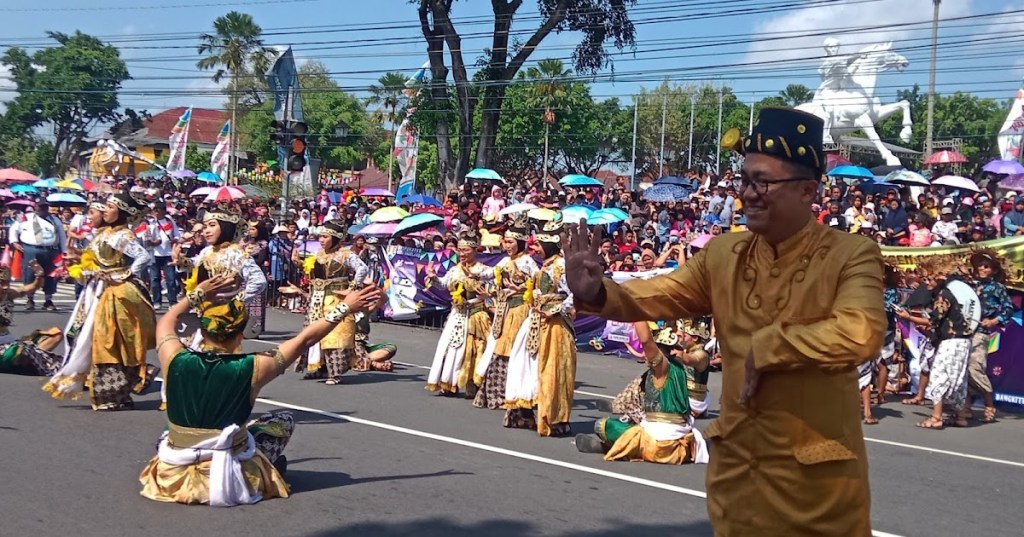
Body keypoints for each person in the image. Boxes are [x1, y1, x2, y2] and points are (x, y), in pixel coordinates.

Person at [564, 108, 884, 535]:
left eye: (763, 182)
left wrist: (771, 346)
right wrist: (598, 293)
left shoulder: (852, 254)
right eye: (744, 180)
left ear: (809, 189)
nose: (747, 194)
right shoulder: (724, 254)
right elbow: (662, 293)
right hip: (737, 477)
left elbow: (861, 330)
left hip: (815, 488)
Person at [139, 275, 381, 506]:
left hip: (172, 473)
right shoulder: (254, 366)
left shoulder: (173, 357)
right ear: (240, 335)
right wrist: (345, 307)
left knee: (170, 430)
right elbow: (305, 340)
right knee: (282, 420)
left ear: (202, 332)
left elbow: (166, 321)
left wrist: (198, 294)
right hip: (226, 470)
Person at [43, 192, 156, 410]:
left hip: (117, 292)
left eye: (110, 207)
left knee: (112, 339)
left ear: (122, 212)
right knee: (84, 334)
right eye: (105, 206)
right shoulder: (104, 233)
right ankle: (115, 390)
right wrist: (80, 261)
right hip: (97, 290)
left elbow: (143, 257)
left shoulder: (123, 236)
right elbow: (98, 260)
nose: (105, 210)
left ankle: (116, 391)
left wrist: (122, 275)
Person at [575, 321, 709, 464]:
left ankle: (611, 448)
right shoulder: (676, 365)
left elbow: (646, 341)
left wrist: (638, 314)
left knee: (603, 425)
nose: (645, 355)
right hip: (677, 435)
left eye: (648, 352)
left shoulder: (662, 366)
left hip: (662, 443)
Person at [502, 218, 576, 436]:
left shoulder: (561, 267)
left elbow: (575, 294)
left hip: (554, 326)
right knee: (522, 364)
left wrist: (555, 310)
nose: (534, 248)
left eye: (538, 245)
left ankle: (553, 416)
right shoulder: (545, 265)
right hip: (534, 321)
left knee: (550, 369)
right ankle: (522, 412)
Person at [172, 209, 268, 351]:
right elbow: (195, 262)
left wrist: (236, 302)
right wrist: (181, 261)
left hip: (222, 316)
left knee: (213, 353)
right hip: (201, 309)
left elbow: (259, 280)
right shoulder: (208, 251)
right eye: (205, 227)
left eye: (212, 225)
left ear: (225, 228)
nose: (206, 231)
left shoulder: (235, 253)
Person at [473, 213, 539, 409]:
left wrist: (524, 288)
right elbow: (488, 274)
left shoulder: (528, 262)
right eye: (505, 242)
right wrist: (470, 269)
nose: (507, 246)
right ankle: (494, 394)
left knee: (513, 350)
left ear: (519, 242)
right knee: (498, 348)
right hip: (505, 310)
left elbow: (540, 284)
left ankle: (513, 393)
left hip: (521, 311)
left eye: (511, 242)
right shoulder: (503, 262)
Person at [294, 220, 368, 384]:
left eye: (325, 237)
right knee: (314, 334)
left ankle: (334, 372)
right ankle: (318, 367)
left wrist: (353, 287)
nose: (321, 240)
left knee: (335, 336)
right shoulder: (318, 253)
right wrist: (299, 264)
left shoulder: (345, 254)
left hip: (336, 300)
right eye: (320, 236)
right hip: (318, 300)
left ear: (335, 238)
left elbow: (363, 268)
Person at [425, 229, 495, 397]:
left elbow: (493, 292)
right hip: (457, 314)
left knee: (474, 350)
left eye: (466, 250)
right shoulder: (455, 270)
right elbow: (443, 284)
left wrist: (486, 297)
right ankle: (449, 383)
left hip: (476, 314)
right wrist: (434, 277)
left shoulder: (484, 270)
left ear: (475, 250)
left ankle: (473, 384)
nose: (462, 253)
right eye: (460, 250)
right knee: (450, 348)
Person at [962, 250, 1013, 424]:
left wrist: (993, 321)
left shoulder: (997, 288)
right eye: (980, 265)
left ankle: (989, 404)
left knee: (975, 367)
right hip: (965, 330)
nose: (982, 268)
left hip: (981, 332)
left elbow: (1008, 308)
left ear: (993, 270)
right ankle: (966, 406)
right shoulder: (970, 285)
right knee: (963, 369)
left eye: (986, 266)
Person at [0, 259, 64, 376]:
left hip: (11, 344)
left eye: (7, 282)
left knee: (56, 334)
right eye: (1, 282)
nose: (5, 287)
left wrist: (39, 275)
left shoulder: (10, 294)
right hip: (4, 351)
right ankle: (26, 360)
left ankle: (26, 361)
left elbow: (34, 286)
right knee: (23, 350)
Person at [8, 201, 66, 311]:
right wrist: (14, 242)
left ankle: (48, 300)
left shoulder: (55, 219)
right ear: (36, 207)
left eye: (45, 207)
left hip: (51, 250)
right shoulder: (25, 216)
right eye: (40, 207)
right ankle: (30, 299)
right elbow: (13, 229)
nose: (42, 209)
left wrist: (64, 251)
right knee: (30, 274)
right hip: (32, 249)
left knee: (51, 275)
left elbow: (62, 235)